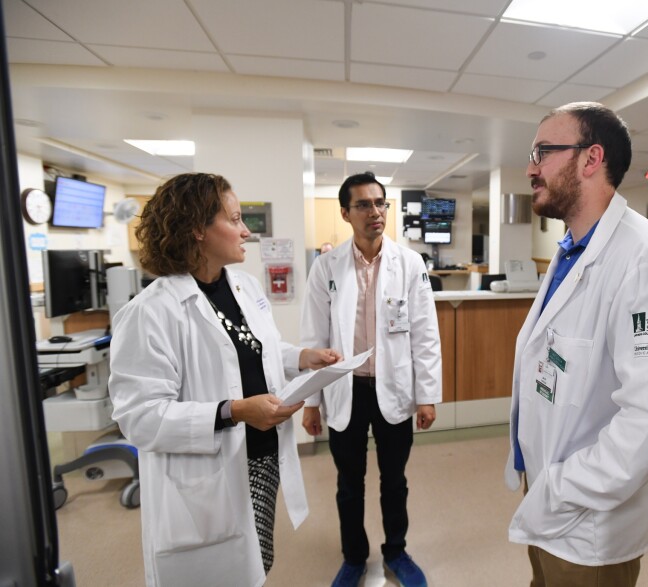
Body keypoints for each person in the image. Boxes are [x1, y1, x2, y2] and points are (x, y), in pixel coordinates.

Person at [108, 172, 341, 587]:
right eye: (235, 220)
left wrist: (301, 357)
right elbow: (139, 417)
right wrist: (234, 412)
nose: (246, 231)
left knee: (257, 564)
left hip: (260, 459)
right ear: (197, 229)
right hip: (205, 479)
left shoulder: (244, 287)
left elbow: (255, 351)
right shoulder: (151, 312)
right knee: (219, 575)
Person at [505, 102, 648, 587]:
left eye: (543, 152)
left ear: (591, 159)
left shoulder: (645, 260)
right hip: (548, 495)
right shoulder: (571, 250)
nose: (531, 167)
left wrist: (559, 488)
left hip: (589, 520)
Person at [299, 171, 442, 587]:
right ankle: (354, 557)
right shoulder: (326, 267)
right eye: (363, 205)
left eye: (380, 203)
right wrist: (311, 401)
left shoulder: (410, 263)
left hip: (393, 388)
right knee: (349, 483)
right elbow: (314, 336)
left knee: (394, 479)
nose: (375, 212)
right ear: (345, 213)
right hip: (348, 390)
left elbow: (425, 334)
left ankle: (396, 551)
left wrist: (427, 395)